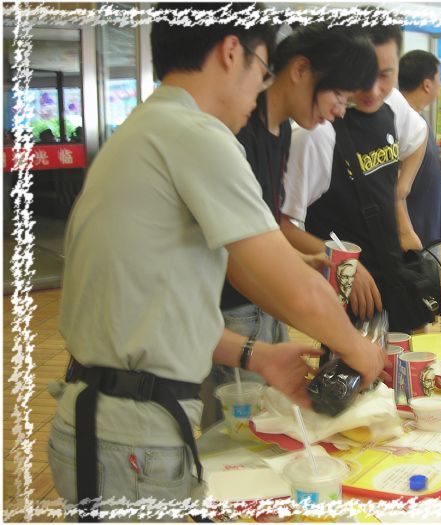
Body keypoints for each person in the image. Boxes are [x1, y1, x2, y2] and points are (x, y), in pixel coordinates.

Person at [48, 3, 384, 516]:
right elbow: (298, 291)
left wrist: (258, 356)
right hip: (133, 443)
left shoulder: (144, 129)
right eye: (262, 67)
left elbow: (154, 315)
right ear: (231, 51)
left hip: (102, 425)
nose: (261, 86)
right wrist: (360, 349)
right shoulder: (197, 135)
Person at [202, 24, 379, 430]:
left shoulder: (280, 130)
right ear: (300, 70)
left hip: (261, 303)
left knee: (273, 423)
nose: (339, 110)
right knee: (237, 434)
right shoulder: (237, 130)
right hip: (230, 312)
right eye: (338, 96)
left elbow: (264, 225)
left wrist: (300, 260)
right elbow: (237, 259)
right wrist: (344, 339)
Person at [280, 22, 429, 332]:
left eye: (386, 75)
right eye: (364, 76)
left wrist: (400, 201)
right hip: (349, 298)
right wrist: (344, 264)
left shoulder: (392, 104)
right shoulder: (316, 133)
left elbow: (419, 136)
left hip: (394, 279)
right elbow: (280, 224)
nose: (373, 90)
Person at [398, 50, 441, 253]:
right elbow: (395, 180)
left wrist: (439, 163)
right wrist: (406, 232)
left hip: (428, 227)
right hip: (414, 232)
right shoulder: (401, 121)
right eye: (439, 79)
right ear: (427, 84)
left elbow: (413, 163)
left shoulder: (418, 119)